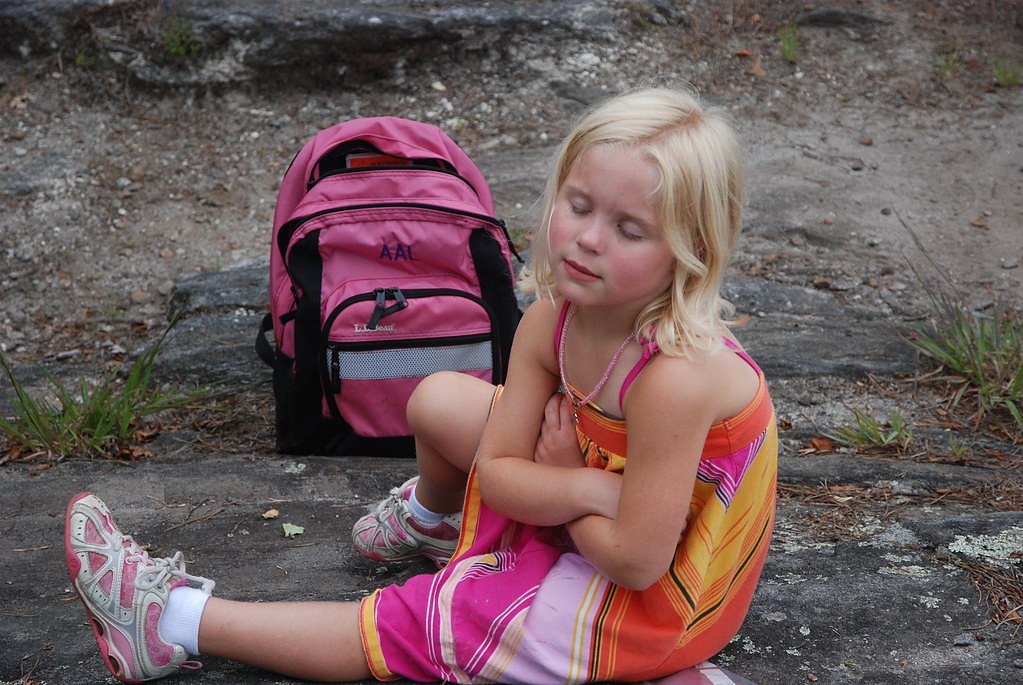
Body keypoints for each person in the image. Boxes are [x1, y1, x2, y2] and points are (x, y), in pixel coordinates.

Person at [64, 87, 778, 684]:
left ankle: (169, 621)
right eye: (580, 204)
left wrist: (564, 486)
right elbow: (500, 472)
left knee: (427, 618)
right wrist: (577, 484)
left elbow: (636, 558)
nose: (588, 239)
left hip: (660, 588)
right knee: (437, 399)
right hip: (597, 492)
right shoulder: (553, 321)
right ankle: (437, 522)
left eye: (629, 229)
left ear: (692, 252)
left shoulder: (672, 379)